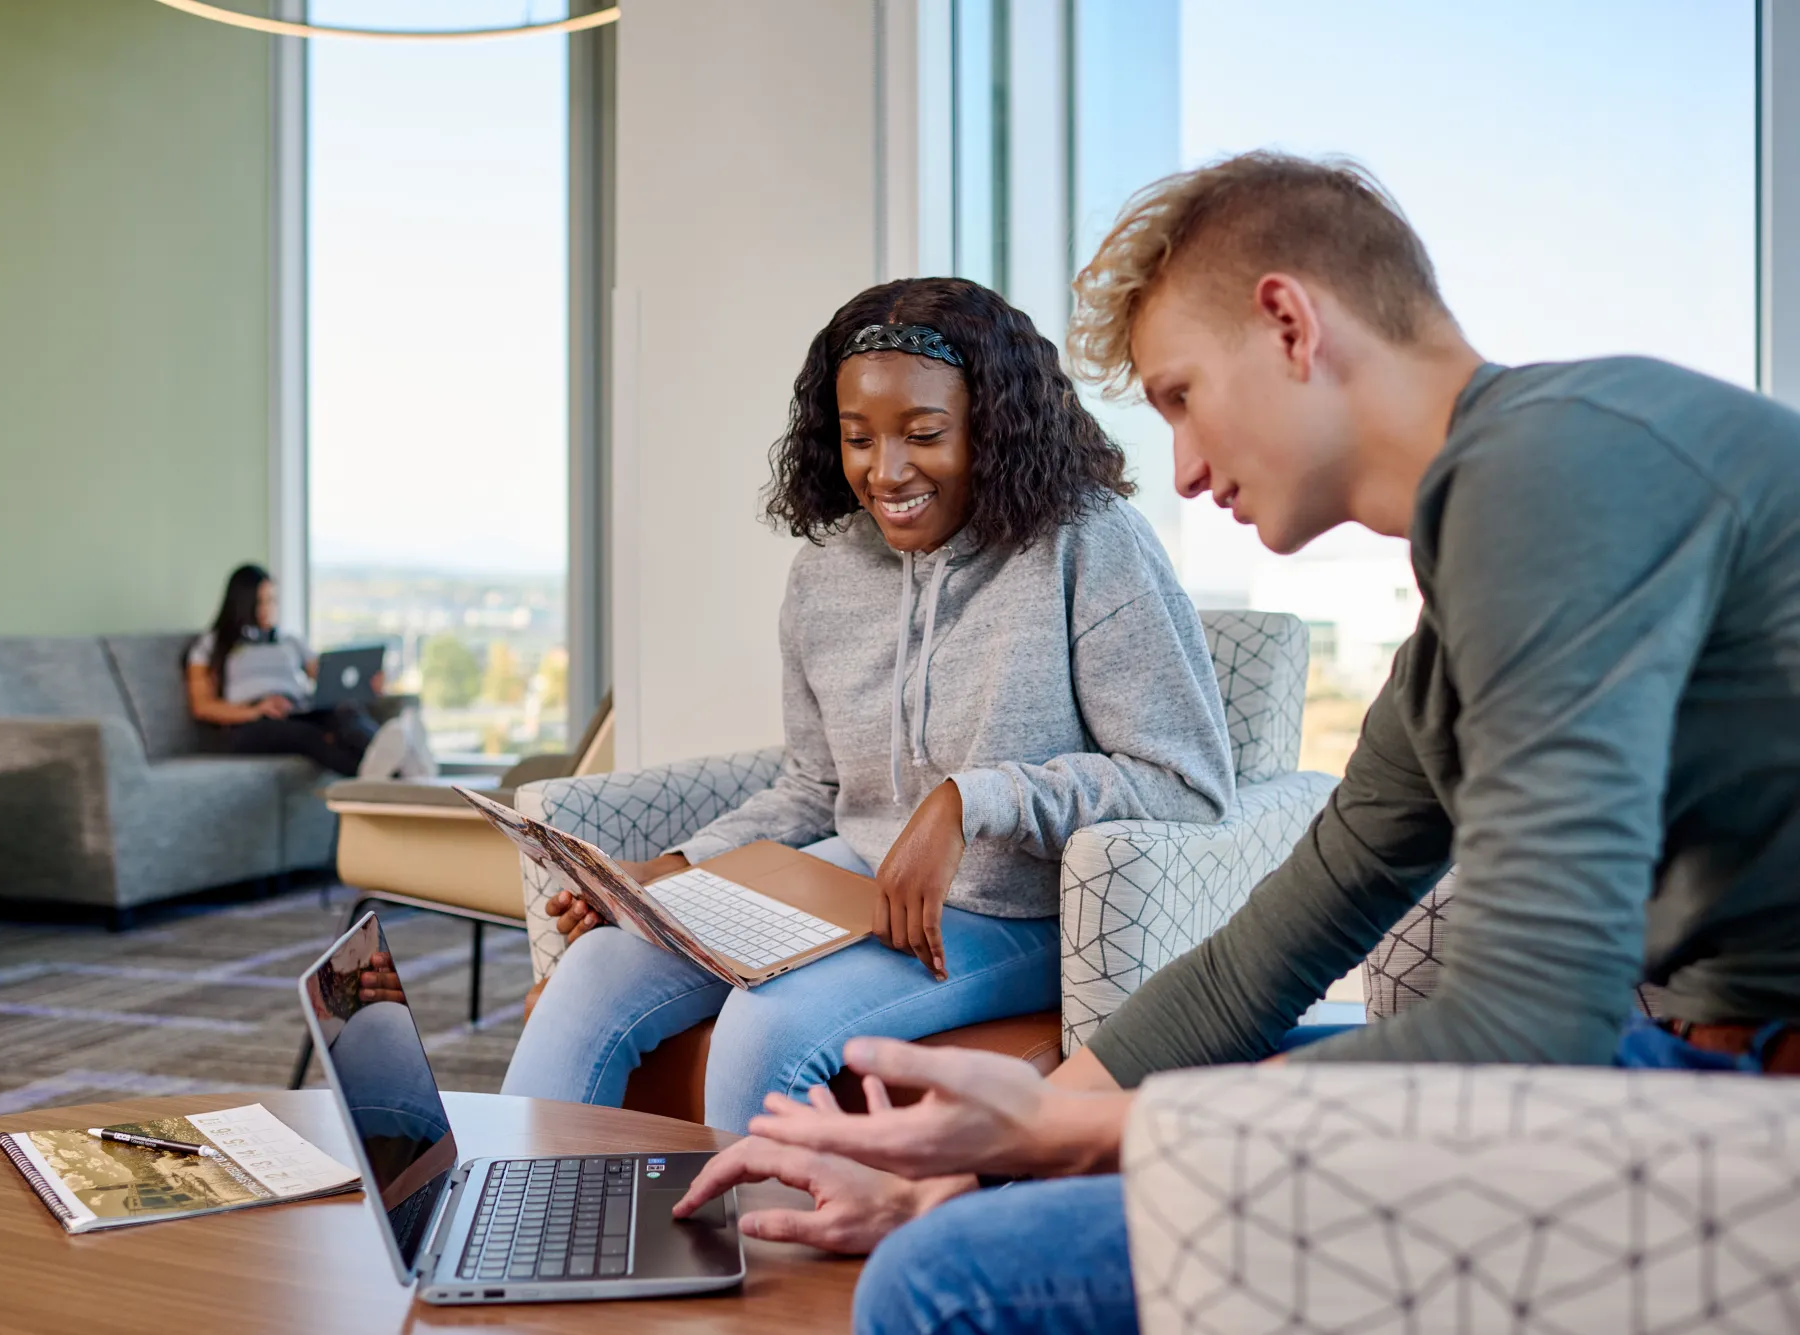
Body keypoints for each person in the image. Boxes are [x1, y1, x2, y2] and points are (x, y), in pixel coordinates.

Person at [669, 152, 1800, 1333]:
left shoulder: (1558, 474)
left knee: (940, 1284)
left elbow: (1527, 1023)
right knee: (962, 1223)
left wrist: (1084, 1131)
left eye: (1178, 397)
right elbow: (1278, 942)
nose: (1185, 468)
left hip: (1739, 1094)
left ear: (1286, 324)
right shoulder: (1484, 570)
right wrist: (969, 1168)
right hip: (1668, 1050)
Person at [500, 277, 1236, 1134]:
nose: (885, 473)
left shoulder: (1091, 543)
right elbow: (813, 788)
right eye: (858, 439)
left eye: (923, 434)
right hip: (851, 880)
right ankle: (510, 1241)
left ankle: (750, 1266)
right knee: (595, 973)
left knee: (765, 1026)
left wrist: (971, 801)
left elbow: (1185, 785)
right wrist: (677, 869)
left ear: (991, 429)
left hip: (1018, 915)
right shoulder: (828, 570)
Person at [185, 564, 434, 779]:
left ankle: (395, 754)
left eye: (272, 600)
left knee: (343, 710)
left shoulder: (289, 641)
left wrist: (368, 684)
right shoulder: (211, 645)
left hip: (296, 709)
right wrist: (255, 710)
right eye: (260, 602)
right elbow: (203, 706)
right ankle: (402, 773)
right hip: (252, 722)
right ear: (240, 604)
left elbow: (328, 677)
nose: (267, 608)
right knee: (312, 736)